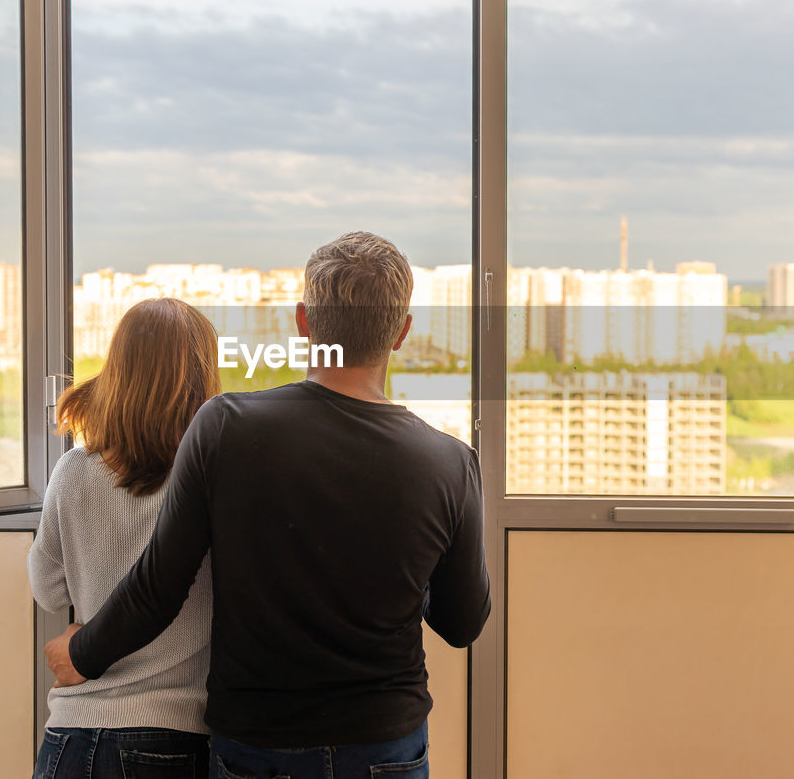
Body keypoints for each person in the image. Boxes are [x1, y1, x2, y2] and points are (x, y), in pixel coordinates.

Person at [44, 231, 491, 779]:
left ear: (304, 322)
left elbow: (159, 584)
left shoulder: (226, 426)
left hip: (258, 744)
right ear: (401, 332)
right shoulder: (449, 462)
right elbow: (462, 622)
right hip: (385, 742)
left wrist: (82, 654)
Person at [29, 297, 221, 779]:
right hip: (172, 735)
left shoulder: (74, 469)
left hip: (70, 735)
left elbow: (48, 589)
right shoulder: (212, 478)